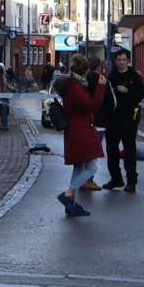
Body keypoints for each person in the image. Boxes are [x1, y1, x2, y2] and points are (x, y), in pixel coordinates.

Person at [53, 56, 107, 218]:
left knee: (79, 167)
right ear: (85, 70)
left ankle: (72, 205)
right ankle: (68, 194)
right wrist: (101, 87)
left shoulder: (74, 85)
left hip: (76, 129)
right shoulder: (75, 88)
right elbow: (92, 105)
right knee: (92, 167)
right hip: (81, 130)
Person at [101, 50, 144, 192]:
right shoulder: (111, 76)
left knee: (129, 150)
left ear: (128, 61)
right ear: (115, 61)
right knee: (111, 150)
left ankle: (131, 181)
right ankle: (116, 178)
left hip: (129, 119)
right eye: (119, 60)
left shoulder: (134, 77)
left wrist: (127, 92)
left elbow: (140, 95)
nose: (121, 62)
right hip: (113, 120)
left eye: (124, 59)